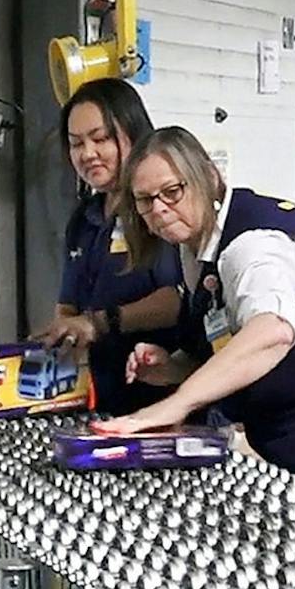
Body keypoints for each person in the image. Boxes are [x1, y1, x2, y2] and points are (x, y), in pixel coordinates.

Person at [98, 126, 295, 505]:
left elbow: (272, 332)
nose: (158, 209)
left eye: (172, 192)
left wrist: (176, 403)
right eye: (145, 200)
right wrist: (174, 367)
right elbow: (228, 337)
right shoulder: (194, 247)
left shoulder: (254, 245)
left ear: (208, 177)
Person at [31, 78, 184, 414]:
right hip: (101, 402)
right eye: (76, 144)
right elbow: (69, 308)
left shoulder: (160, 210)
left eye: (100, 139)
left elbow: (175, 298)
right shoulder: (83, 220)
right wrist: (61, 335)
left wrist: (100, 322)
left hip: (166, 401)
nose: (87, 154)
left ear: (133, 133)